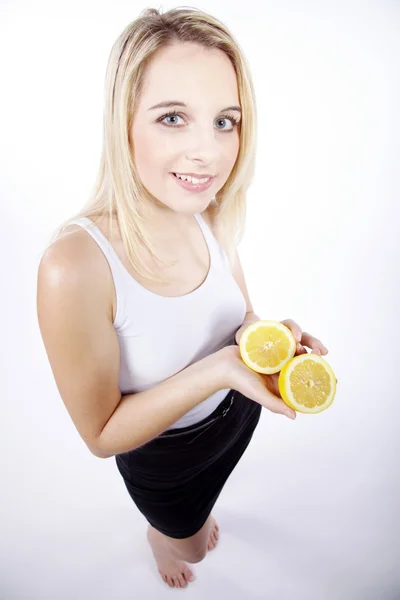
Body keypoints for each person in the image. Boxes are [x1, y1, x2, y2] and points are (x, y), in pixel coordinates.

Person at [36, 7, 328, 589]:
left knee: (209, 503)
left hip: (240, 409)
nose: (210, 153)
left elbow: (240, 317)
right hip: (167, 454)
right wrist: (220, 369)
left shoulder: (209, 213)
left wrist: (265, 339)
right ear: (123, 122)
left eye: (225, 121)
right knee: (190, 547)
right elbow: (100, 436)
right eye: (173, 117)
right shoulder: (75, 264)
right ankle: (161, 540)